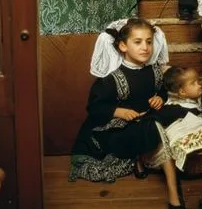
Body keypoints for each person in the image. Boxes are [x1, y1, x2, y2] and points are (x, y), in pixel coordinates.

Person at [70, 18, 185, 209]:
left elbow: (162, 91)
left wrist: (160, 98)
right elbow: (94, 108)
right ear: (123, 46)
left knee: (164, 119)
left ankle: (171, 190)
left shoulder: (155, 72)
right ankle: (173, 193)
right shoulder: (111, 79)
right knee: (154, 127)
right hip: (118, 131)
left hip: (145, 122)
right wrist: (119, 111)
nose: (145, 47)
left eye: (149, 42)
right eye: (138, 42)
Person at [150, 66, 202, 171]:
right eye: (193, 83)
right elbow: (160, 120)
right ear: (182, 92)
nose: (199, 85)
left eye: (198, 81)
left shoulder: (190, 102)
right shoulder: (175, 108)